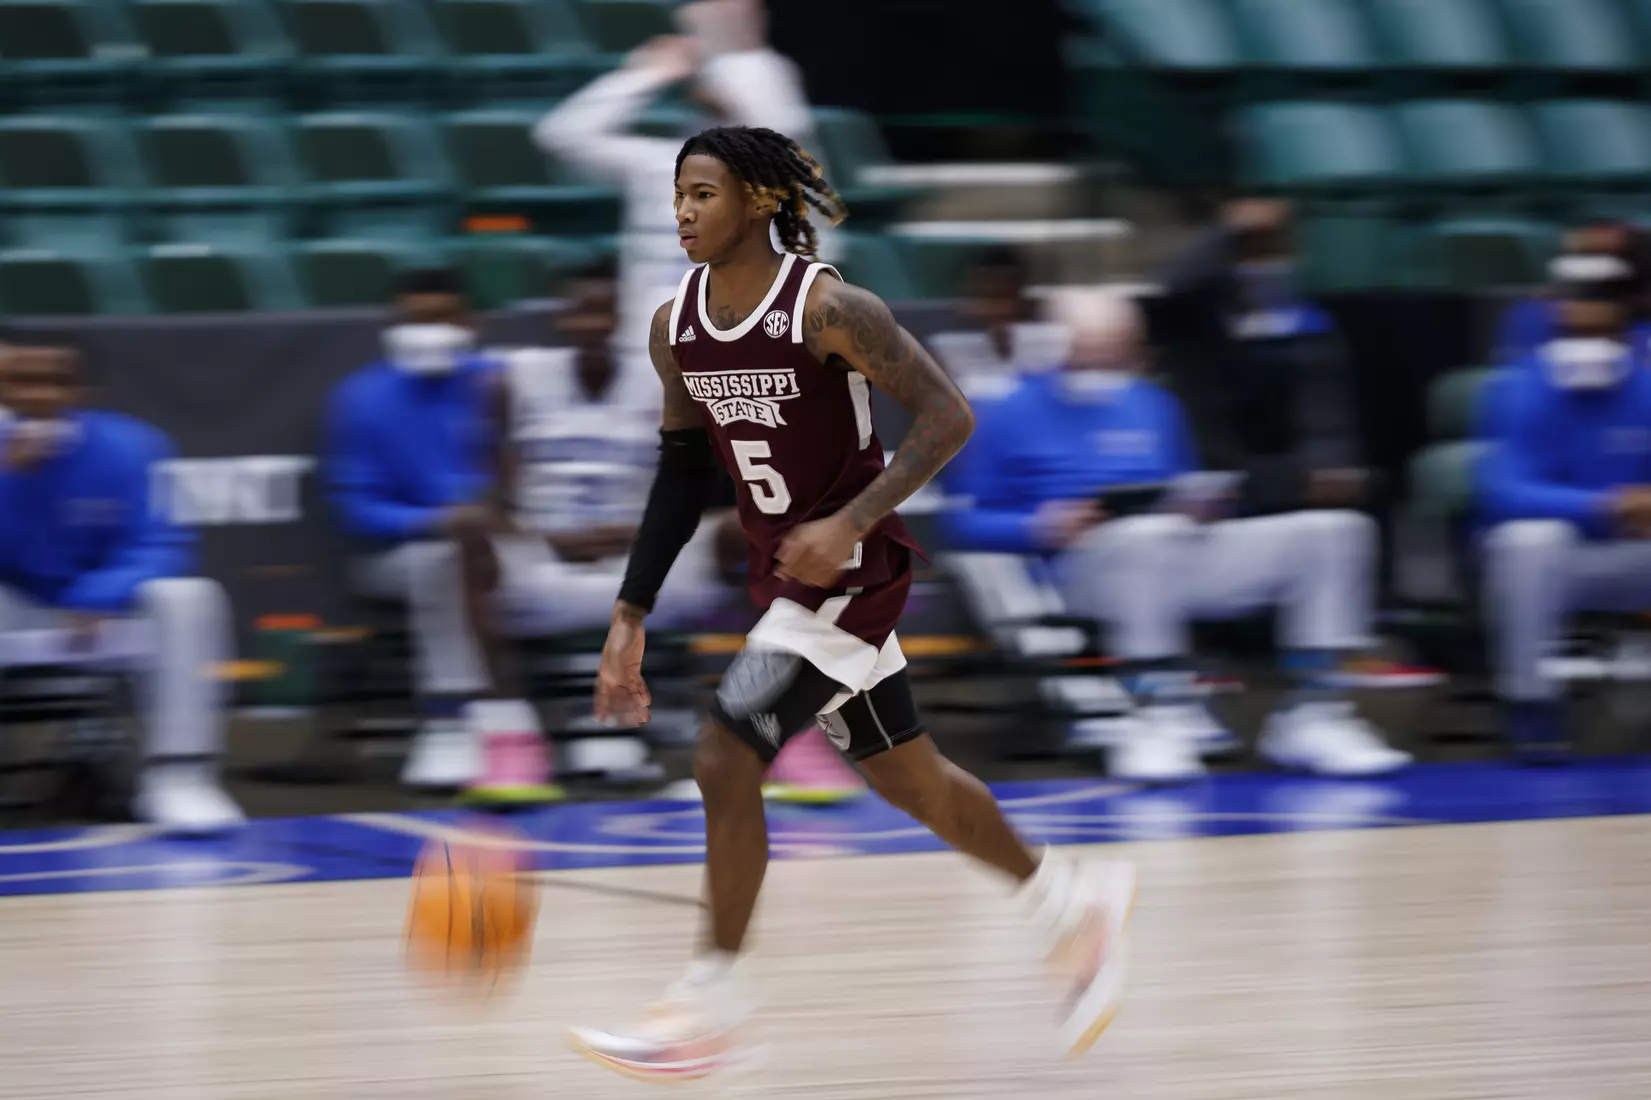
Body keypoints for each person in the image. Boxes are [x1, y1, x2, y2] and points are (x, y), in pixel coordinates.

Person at [567, 125, 1137, 1080]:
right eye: (676, 195)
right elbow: (679, 476)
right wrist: (630, 613)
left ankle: (710, 1001)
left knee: (723, 751)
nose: (682, 212)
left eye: (702, 194)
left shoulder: (828, 308)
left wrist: (851, 520)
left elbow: (949, 416)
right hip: (784, 578)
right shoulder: (675, 325)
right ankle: (1069, 901)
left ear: (755, 199)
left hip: (851, 575)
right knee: (909, 778)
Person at [947, 290, 1413, 783]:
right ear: (1054, 343)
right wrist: (1039, 525)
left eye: (1117, 347)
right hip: (1080, 569)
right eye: (1091, 347)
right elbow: (964, 522)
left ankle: (1315, 710)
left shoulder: (1154, 403)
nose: (1106, 359)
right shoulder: (1004, 413)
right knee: (1148, 536)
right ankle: (1156, 713)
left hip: (1175, 550)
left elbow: (1180, 485)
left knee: (1336, 532)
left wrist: (1203, 505)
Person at [0, 345, 243, 833]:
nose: (37, 394)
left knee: (190, 597)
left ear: (83, 393)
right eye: (19, 381)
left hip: (102, 616)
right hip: (15, 607)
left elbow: (163, 542)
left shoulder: (134, 446)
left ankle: (181, 777)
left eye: (53, 382)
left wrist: (98, 595)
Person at [326, 267, 549, 794]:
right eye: (414, 320)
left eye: (441, 319)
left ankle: (597, 722)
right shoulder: (359, 398)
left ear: (469, 323)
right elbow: (355, 509)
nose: (427, 331)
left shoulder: (501, 383)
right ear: (393, 326)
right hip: (400, 556)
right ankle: (449, 719)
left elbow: (532, 472)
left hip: (506, 547)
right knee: (445, 559)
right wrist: (437, 521)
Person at [533, 0, 819, 392]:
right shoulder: (658, 164)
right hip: (649, 366)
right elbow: (562, 136)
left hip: (746, 372)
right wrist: (647, 75)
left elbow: (783, 127)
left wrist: (723, 53)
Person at [1478, 262, 1651, 759]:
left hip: (1630, 554)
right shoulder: (1518, 387)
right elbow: (1504, 492)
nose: (1592, 309)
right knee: (1531, 540)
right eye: (1581, 297)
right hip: (1552, 561)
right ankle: (1531, 702)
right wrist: (1607, 504)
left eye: (1604, 298)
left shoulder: (1644, 385)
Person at [926, 246, 1068, 402]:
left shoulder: (1056, 348)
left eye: (1002, 297)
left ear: (1024, 302)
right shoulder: (946, 353)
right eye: (982, 299)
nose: (992, 310)